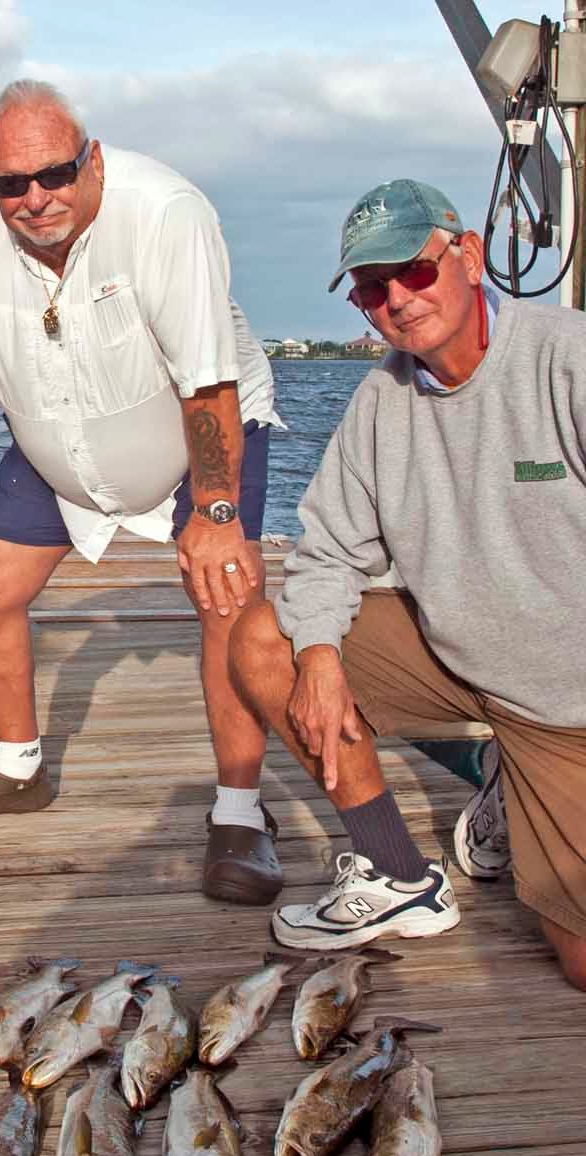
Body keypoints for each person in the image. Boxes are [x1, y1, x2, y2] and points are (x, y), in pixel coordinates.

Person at [0, 79, 286, 905]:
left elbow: (209, 385)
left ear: (93, 160)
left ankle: (241, 814)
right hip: (58, 440)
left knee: (226, 599)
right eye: (11, 183)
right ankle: (16, 763)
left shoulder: (168, 213)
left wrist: (215, 514)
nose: (35, 199)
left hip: (197, 433)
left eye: (56, 174)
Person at [229, 178, 586, 992]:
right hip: (457, 654)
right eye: (369, 287)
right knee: (263, 638)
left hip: (570, 701)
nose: (395, 298)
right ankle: (397, 874)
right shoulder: (379, 398)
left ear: (469, 256)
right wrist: (318, 654)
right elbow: (325, 550)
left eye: (413, 271)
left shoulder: (569, 358)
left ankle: (518, 783)